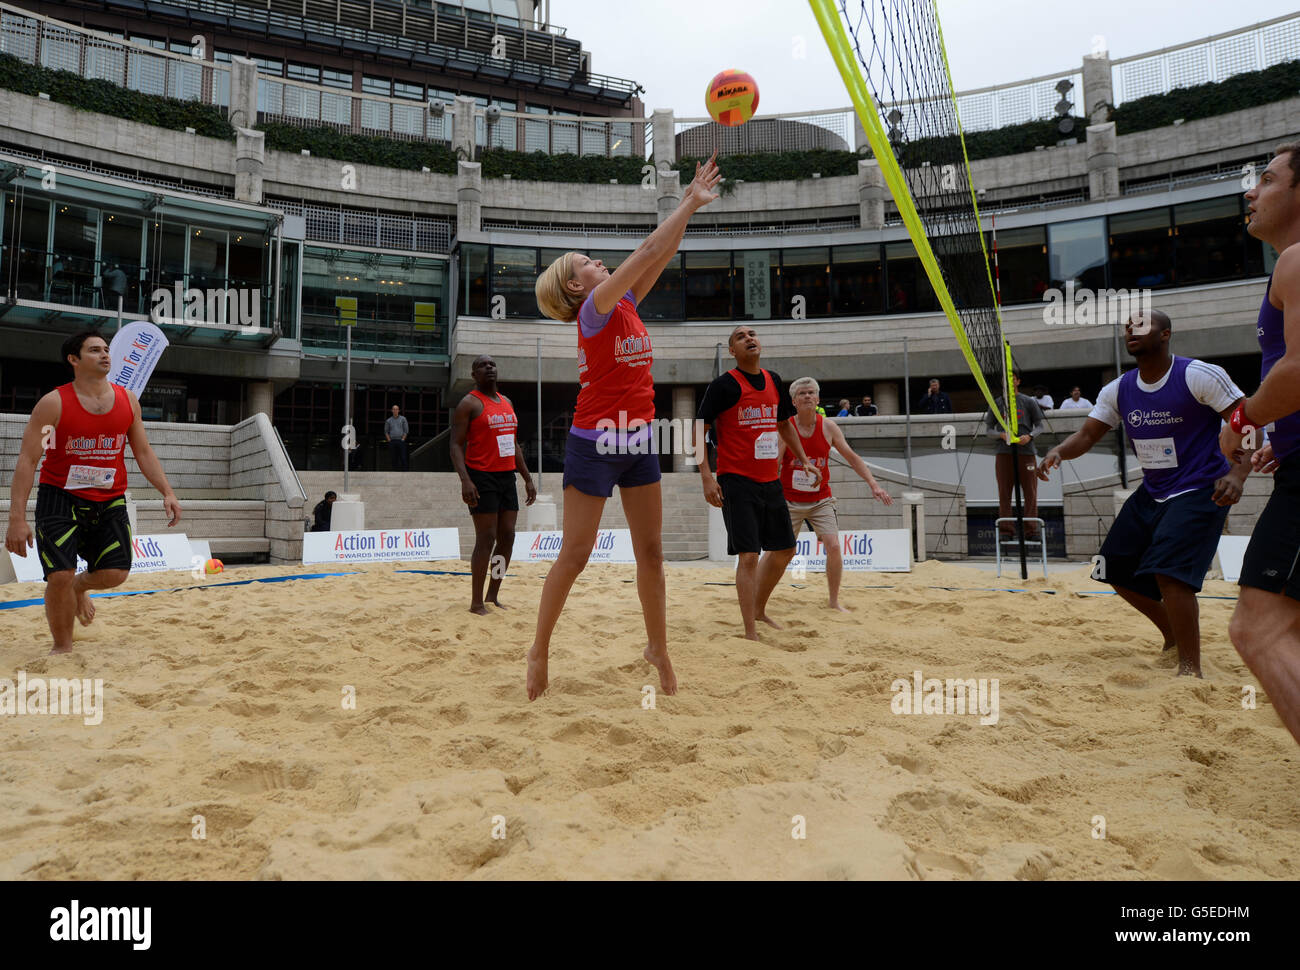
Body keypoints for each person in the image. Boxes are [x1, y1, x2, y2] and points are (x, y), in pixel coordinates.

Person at [527, 151, 722, 700]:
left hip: (637, 439)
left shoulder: (627, 301)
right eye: (586, 261)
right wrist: (685, 201)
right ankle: (539, 648)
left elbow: (663, 253)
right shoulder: (595, 308)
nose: (597, 263)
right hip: (594, 443)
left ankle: (657, 647)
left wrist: (688, 212)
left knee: (652, 554)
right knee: (576, 553)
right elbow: (647, 249)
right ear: (574, 286)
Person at [1039, 311, 1250, 678]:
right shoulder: (1119, 388)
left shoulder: (1198, 374)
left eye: (1142, 326)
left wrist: (1237, 473)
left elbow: (1246, 420)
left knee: (1170, 576)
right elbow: (1088, 435)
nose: (1131, 331)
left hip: (1202, 486)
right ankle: (1172, 637)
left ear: (1166, 333)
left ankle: (1190, 670)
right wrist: (1059, 450)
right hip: (1153, 489)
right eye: (1127, 328)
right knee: (1110, 568)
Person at [4, 331, 182, 654]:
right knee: (58, 576)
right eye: (94, 350)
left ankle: (81, 585)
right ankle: (63, 647)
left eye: (106, 349)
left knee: (116, 573)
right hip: (60, 496)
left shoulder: (128, 401)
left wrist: (166, 491)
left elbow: (142, 451)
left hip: (109, 499)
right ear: (74, 359)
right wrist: (16, 518)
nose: (104, 355)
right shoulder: (53, 404)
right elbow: (29, 459)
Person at [1219, 141, 1300, 742]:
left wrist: (1241, 420)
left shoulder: (1296, 259)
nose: (1251, 191)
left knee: (1259, 628)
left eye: (1267, 180)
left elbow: (1299, 370)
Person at [696, 325, 822, 641]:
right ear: (732, 351)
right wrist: (706, 476)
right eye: (741, 337)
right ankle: (750, 631)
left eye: (752, 334)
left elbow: (783, 424)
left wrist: (804, 459)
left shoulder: (773, 380)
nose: (749, 338)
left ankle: (758, 609)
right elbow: (699, 428)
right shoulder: (723, 386)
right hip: (735, 480)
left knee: (784, 550)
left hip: (770, 480)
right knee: (749, 555)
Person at [780, 377, 894, 612]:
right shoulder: (786, 427)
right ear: (794, 401)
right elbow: (774, 464)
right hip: (789, 500)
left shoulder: (829, 427)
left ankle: (833, 601)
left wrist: (874, 485)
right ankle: (760, 596)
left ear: (819, 398)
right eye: (802, 393)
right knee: (780, 552)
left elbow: (852, 457)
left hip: (821, 499)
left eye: (812, 392)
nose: (808, 396)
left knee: (832, 545)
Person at [450, 354, 537, 615]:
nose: (489, 368)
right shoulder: (469, 404)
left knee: (507, 537)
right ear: (474, 374)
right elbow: (455, 444)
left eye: (492, 364)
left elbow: (514, 444)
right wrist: (465, 480)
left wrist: (528, 478)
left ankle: (492, 595)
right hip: (481, 476)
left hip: (506, 476)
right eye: (482, 366)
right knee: (486, 538)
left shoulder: (507, 402)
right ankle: (476, 602)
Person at [986, 371, 1046, 540]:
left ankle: (1031, 531)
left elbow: (1040, 426)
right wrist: (1001, 435)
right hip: (1004, 453)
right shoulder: (997, 403)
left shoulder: (1028, 401)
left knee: (1030, 492)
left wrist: (1030, 436)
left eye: (1012, 379)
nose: (1010, 383)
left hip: (1026, 453)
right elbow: (988, 430)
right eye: (1006, 380)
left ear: (1018, 381)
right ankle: (1006, 531)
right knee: (1004, 493)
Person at [384, 404, 409, 471]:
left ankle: (405, 472)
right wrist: (389, 440)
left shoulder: (403, 419)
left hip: (401, 441)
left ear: (399, 410)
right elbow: (386, 431)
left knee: (403, 457)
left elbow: (406, 430)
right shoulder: (388, 420)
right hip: (392, 441)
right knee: (393, 458)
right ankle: (395, 472)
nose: (395, 410)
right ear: (391, 410)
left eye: (396, 409)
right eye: (394, 409)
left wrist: (403, 439)